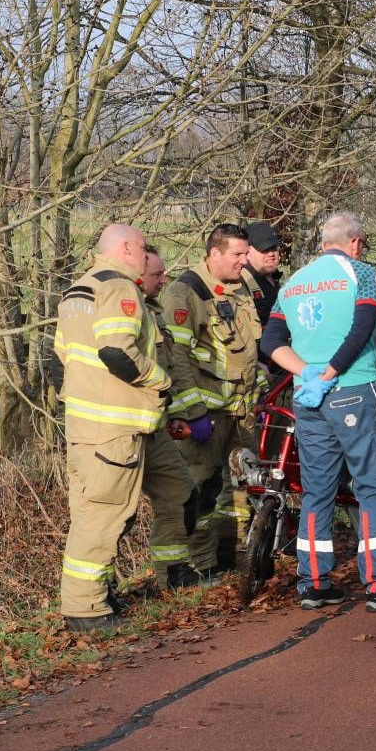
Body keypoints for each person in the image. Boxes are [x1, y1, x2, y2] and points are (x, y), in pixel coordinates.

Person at [260, 211, 376, 612]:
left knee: (317, 491)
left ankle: (313, 583)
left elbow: (271, 340)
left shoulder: (294, 281)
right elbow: (362, 328)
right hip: (354, 391)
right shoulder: (360, 274)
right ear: (356, 243)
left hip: (308, 398)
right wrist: (331, 372)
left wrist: (307, 374)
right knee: (372, 487)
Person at [54, 224, 197, 631]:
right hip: (113, 429)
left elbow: (60, 358)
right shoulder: (119, 287)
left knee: (178, 492)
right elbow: (116, 350)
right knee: (102, 517)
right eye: (141, 249)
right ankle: (86, 610)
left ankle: (173, 572)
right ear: (129, 247)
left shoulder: (79, 290)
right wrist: (160, 380)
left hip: (124, 426)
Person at [160, 223, 262, 574]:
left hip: (242, 410)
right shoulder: (184, 293)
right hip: (208, 415)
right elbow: (177, 357)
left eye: (246, 254)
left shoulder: (244, 286)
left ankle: (232, 556)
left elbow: (249, 349)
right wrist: (193, 410)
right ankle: (200, 564)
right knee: (201, 491)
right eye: (237, 254)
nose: (244, 261)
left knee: (240, 489)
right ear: (214, 253)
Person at [239, 221, 286, 327]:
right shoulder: (240, 282)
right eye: (264, 249)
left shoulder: (275, 279)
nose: (271, 254)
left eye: (274, 248)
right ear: (248, 251)